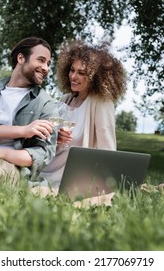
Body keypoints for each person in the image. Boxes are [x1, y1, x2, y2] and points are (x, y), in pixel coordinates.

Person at [39, 39, 126, 202]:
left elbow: (108, 149)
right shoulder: (65, 99)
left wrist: (109, 185)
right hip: (49, 170)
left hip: (73, 179)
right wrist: (55, 137)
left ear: (95, 77)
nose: (73, 76)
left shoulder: (100, 102)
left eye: (82, 73)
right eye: (72, 70)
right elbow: (50, 141)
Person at [0, 37, 58, 184]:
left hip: (15, 168)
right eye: (41, 60)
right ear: (21, 58)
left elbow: (44, 153)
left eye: (48, 63)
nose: (46, 68)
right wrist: (23, 130)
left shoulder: (47, 103)